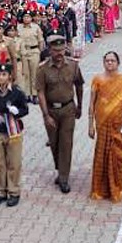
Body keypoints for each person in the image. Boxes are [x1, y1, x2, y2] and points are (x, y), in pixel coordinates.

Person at [36, 29, 85, 194]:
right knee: (54, 143)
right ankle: (60, 169)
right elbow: (40, 92)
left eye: (62, 50)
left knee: (66, 143)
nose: (59, 53)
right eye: (55, 50)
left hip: (68, 109)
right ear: (50, 50)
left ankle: (64, 177)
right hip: (51, 110)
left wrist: (80, 106)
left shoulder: (73, 65)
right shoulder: (42, 69)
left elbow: (79, 85)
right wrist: (45, 115)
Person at [87, 51, 122, 203]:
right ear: (104, 62)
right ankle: (99, 189)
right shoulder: (97, 80)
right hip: (102, 125)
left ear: (118, 63)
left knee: (118, 156)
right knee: (101, 155)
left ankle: (117, 187)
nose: (110, 63)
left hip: (119, 127)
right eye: (107, 61)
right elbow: (92, 103)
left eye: (113, 61)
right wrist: (91, 125)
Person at [0, 52, 29, 207]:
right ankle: (1, 191)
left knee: (14, 162)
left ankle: (14, 191)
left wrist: (18, 111)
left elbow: (25, 110)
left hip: (12, 131)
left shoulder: (16, 92)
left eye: (4, 74)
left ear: (9, 76)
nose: (1, 77)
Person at [18, 9, 45, 103]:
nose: (26, 18)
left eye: (28, 17)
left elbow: (41, 40)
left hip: (34, 51)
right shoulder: (19, 27)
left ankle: (35, 94)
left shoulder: (35, 27)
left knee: (34, 73)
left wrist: (40, 52)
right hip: (23, 52)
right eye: (25, 16)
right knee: (25, 73)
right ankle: (27, 94)